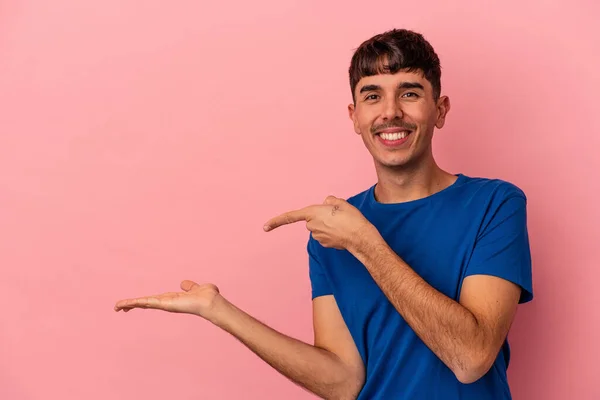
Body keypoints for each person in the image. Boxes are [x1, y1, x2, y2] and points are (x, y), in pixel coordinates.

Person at [114, 28, 533, 399]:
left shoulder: (494, 204)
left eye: (409, 92)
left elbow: (471, 358)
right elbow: (343, 381)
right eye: (372, 95)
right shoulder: (332, 231)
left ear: (440, 110)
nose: (390, 112)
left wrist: (365, 243)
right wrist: (219, 311)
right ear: (354, 116)